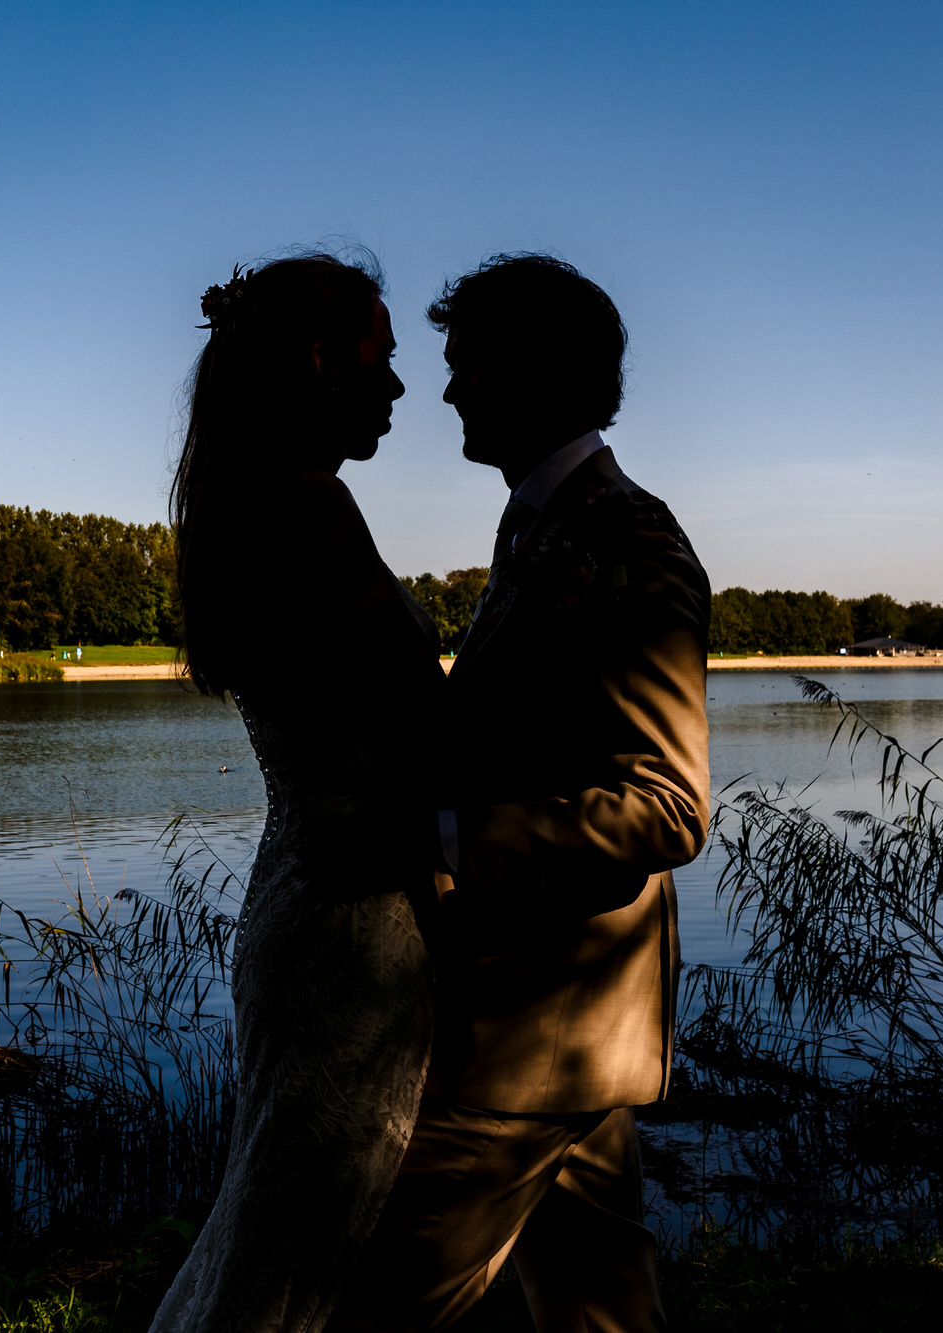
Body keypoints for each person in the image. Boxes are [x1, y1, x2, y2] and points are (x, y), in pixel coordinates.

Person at [333, 255, 711, 1333]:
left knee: (378, 1305)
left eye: (467, 366)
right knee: (599, 1307)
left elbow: (668, 804)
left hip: (528, 1039)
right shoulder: (543, 525)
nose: (447, 390)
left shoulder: (623, 539)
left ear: (535, 372)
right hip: (567, 1028)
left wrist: (442, 836)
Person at [151, 254, 444, 1333]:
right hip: (350, 921)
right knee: (298, 1244)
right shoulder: (312, 508)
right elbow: (427, 724)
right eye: (383, 358)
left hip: (299, 888)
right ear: (320, 362)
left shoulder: (241, 499)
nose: (400, 388)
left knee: (275, 1213)